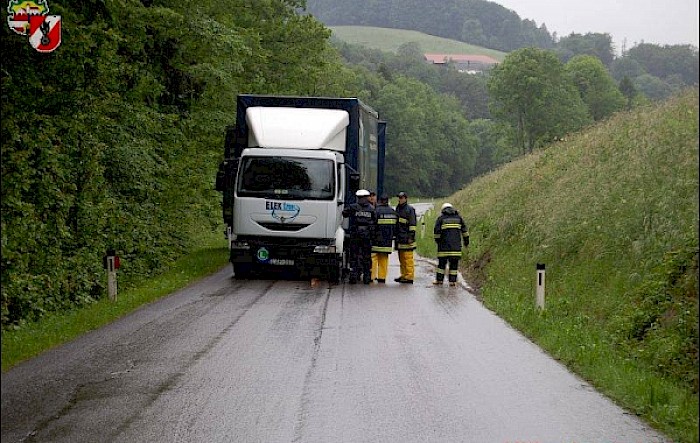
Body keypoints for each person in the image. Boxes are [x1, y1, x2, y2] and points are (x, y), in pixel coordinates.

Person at [342, 189, 377, 284]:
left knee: (354, 255)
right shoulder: (371, 208)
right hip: (367, 235)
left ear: (358, 197)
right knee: (366, 256)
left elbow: (344, 213)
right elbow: (375, 221)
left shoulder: (353, 207)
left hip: (356, 234)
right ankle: (366, 276)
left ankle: (353, 275)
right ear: (367, 197)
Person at [433, 202, 469, 287]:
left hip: (443, 248)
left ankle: (439, 280)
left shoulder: (441, 219)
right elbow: (465, 232)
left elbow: (437, 233)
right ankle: (452, 282)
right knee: (454, 265)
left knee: (441, 265)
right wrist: (466, 242)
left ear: (443, 210)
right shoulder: (459, 219)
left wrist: (438, 241)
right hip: (455, 248)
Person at [371, 194, 398, 283]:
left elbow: (372, 225)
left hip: (376, 239)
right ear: (387, 201)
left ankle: (372, 276)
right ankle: (382, 277)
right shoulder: (393, 212)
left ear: (380, 201)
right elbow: (396, 227)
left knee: (374, 258)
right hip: (387, 240)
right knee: (384, 259)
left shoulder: (376, 211)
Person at [394, 191, 417, 284]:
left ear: (406, 198)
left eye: (402, 198)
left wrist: (411, 236)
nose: (400, 199)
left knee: (408, 259)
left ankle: (409, 276)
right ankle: (404, 275)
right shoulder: (398, 208)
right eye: (399, 198)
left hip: (407, 238)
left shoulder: (410, 209)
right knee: (401, 259)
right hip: (400, 237)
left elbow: (412, 224)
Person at [367, 190, 379, 281]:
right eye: (370, 196)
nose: (372, 197)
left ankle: (373, 274)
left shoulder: (378, 208)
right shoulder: (365, 208)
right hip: (367, 235)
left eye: (373, 196)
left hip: (376, 235)